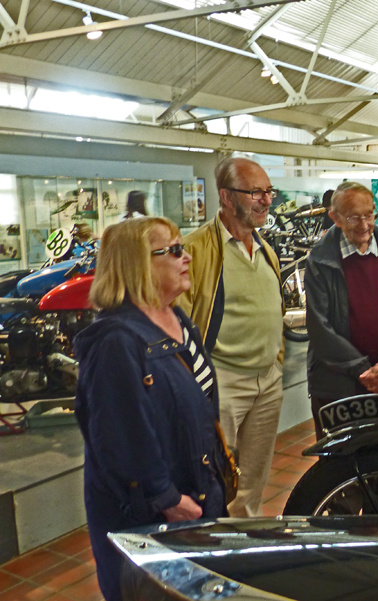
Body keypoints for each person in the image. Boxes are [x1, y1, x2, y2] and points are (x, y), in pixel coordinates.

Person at [74, 217, 226, 601]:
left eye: (182, 247)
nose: (186, 257)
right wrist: (167, 499)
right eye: (173, 250)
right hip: (152, 515)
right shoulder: (115, 340)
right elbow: (120, 437)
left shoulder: (176, 318)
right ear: (137, 263)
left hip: (194, 495)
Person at [177, 157, 284, 517]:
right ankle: (217, 540)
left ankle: (245, 538)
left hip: (267, 380)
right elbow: (179, 323)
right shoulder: (195, 251)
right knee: (215, 477)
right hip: (223, 381)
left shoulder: (266, 250)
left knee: (253, 480)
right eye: (256, 192)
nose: (266, 200)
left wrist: (276, 362)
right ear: (226, 196)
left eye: (268, 191)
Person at [306, 181, 378, 439]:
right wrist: (363, 370)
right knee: (339, 458)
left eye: (369, 215)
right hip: (336, 386)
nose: (364, 225)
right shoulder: (320, 261)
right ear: (335, 217)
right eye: (354, 217)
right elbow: (319, 326)